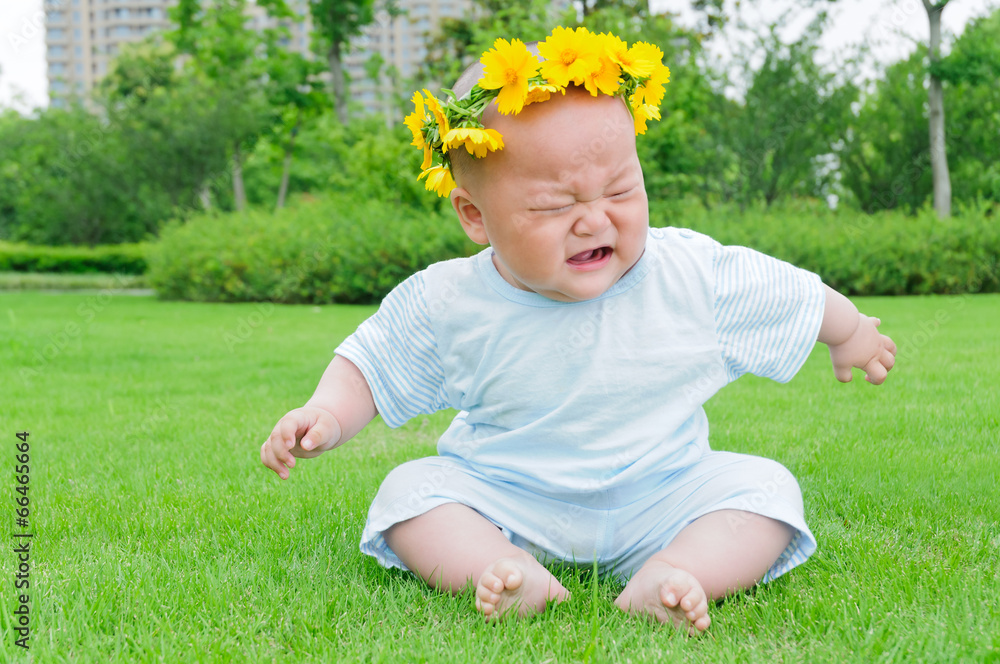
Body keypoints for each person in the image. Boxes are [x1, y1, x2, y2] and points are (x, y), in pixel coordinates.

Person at [260, 27, 897, 634]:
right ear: (475, 216)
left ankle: (677, 572)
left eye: (620, 190)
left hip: (665, 497)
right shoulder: (451, 299)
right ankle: (500, 569)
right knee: (409, 495)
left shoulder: (685, 274)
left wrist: (848, 333)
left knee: (768, 492)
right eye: (556, 206)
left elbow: (784, 293)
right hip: (509, 502)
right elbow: (374, 362)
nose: (595, 221)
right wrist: (326, 413)